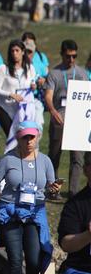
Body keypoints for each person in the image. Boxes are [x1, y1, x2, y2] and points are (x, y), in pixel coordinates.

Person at [0, 122, 60, 274]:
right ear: (18, 138)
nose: (28, 141)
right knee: (15, 258)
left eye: (32, 137)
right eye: (24, 137)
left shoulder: (45, 161)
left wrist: (55, 189)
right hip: (11, 213)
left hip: (34, 213)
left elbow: (52, 188)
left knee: (34, 259)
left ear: (37, 137)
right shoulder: (8, 160)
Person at [45, 39, 89, 197]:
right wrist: (53, 111)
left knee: (77, 159)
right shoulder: (54, 74)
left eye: (74, 56)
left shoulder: (82, 73)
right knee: (54, 156)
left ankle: (73, 192)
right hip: (60, 120)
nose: (71, 59)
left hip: (78, 121)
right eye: (68, 56)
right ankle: (53, 190)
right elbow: (48, 96)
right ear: (61, 54)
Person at [55, 153, 91, 274]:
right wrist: (88, 235)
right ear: (86, 170)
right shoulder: (75, 204)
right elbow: (66, 244)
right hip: (82, 272)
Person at [0, 39, 38, 136]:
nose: (14, 53)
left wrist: (34, 86)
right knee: (12, 137)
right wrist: (10, 94)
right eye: (12, 51)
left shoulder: (30, 68)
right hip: (5, 108)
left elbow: (33, 84)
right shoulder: (3, 68)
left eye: (17, 50)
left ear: (23, 52)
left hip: (22, 109)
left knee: (23, 138)